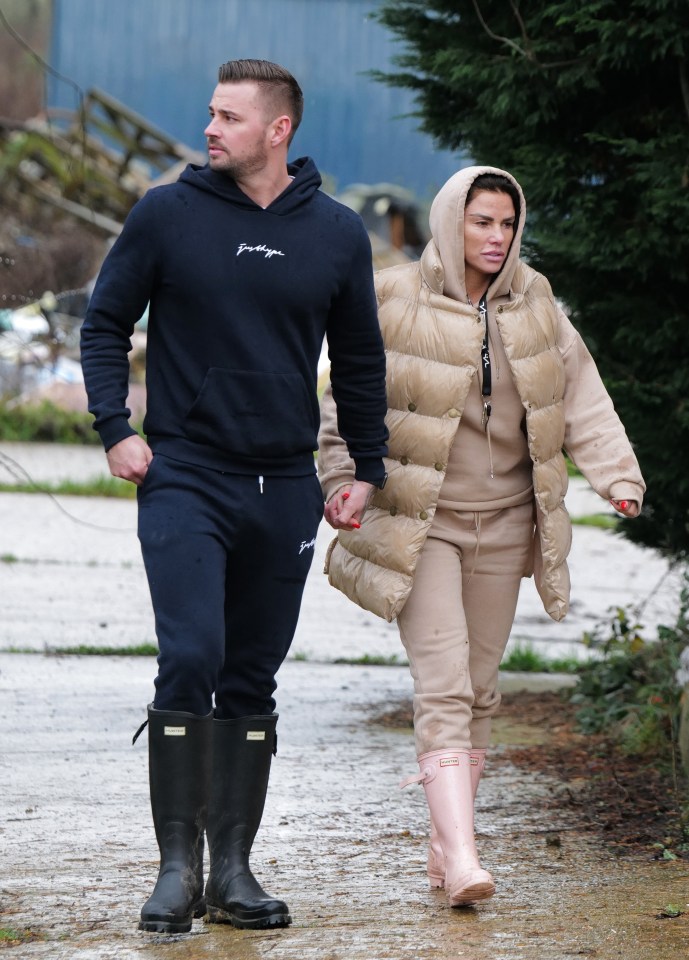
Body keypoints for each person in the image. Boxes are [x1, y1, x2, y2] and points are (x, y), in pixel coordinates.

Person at [79, 58, 388, 934]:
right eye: (211, 114)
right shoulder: (166, 214)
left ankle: (234, 870)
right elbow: (105, 323)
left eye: (227, 117)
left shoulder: (333, 232)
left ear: (277, 130)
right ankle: (176, 869)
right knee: (192, 656)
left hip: (285, 485)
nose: (209, 129)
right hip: (186, 474)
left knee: (252, 673)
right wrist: (116, 426)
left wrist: (364, 467)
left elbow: (360, 360)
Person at [317, 165, 644, 909]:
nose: (495, 238)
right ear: (448, 222)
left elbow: (579, 391)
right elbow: (349, 396)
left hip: (506, 523)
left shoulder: (535, 300)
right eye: (480, 222)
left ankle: (445, 839)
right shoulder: (393, 294)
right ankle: (464, 854)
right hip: (421, 519)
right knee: (443, 683)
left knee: (483, 689)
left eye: (505, 224)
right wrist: (339, 477)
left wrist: (615, 474)